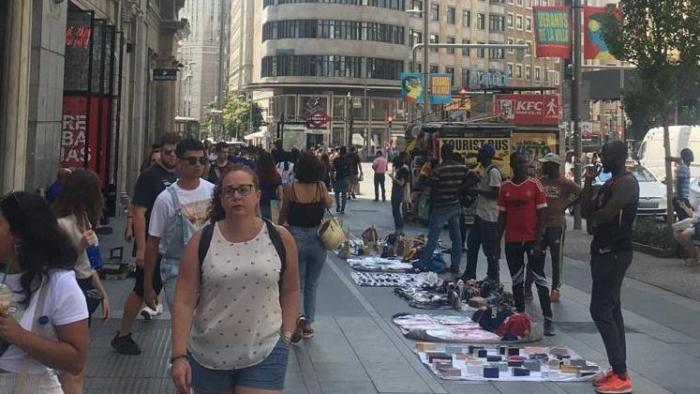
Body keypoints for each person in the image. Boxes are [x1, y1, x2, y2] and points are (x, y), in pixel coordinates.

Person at [170, 166, 300, 394]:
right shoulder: (202, 240)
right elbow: (183, 300)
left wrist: (286, 337)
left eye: (243, 190)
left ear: (258, 194)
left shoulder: (279, 237)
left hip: (265, 350)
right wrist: (179, 355)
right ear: (221, 198)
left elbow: (291, 289)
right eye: (229, 191)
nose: (236, 196)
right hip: (207, 354)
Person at [0, 192, 88, 392]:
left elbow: (76, 361)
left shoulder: (59, 284)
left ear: (19, 235)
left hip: (28, 385)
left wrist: (20, 336)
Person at [112, 132, 180, 355]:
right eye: (167, 151)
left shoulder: (181, 173)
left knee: (156, 290)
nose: (172, 156)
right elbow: (139, 212)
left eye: (176, 152)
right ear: (160, 151)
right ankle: (123, 334)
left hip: (175, 245)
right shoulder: (150, 176)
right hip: (153, 243)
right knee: (141, 289)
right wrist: (141, 248)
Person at [581, 140, 639, 394]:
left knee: (601, 309)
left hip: (615, 251)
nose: (600, 157)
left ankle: (621, 373)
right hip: (603, 251)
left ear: (617, 157)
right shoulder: (608, 183)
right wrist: (587, 183)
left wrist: (595, 220)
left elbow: (606, 214)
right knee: (612, 309)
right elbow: (586, 212)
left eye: (604, 153)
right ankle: (618, 369)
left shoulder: (627, 182)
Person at [52, 169, 111, 392]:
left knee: (76, 363)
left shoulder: (84, 219)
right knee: (74, 365)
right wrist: (80, 247)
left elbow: (89, 264)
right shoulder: (62, 224)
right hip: (70, 287)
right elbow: (60, 263)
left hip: (85, 285)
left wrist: (103, 293)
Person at [143, 138, 215, 315]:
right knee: (183, 323)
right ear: (180, 163)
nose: (198, 165)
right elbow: (152, 243)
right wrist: (147, 285)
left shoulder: (214, 192)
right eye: (192, 160)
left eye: (202, 160)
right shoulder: (165, 199)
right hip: (177, 271)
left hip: (211, 269)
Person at [496, 151, 555, 337]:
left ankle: (548, 319)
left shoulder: (535, 185)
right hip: (512, 240)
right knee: (516, 280)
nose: (524, 166)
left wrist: (538, 241)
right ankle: (521, 317)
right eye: (520, 162)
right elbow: (502, 216)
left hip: (532, 240)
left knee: (540, 279)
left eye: (525, 162)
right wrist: (497, 242)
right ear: (512, 164)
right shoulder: (505, 187)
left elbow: (542, 215)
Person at [278, 152, 333, 340]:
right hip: (318, 238)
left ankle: (295, 318)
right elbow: (329, 204)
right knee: (312, 283)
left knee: (296, 284)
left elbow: (284, 212)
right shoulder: (320, 187)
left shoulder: (291, 188)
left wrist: (278, 229)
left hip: (296, 238)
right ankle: (308, 323)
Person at [524, 153, 581, 303]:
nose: (543, 167)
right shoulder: (540, 181)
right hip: (540, 226)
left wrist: (567, 205)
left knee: (557, 259)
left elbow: (581, 193)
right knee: (535, 257)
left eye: (546, 164)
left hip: (557, 225)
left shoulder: (565, 183)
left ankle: (555, 288)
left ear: (554, 166)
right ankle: (528, 286)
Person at [417, 143, 468, 275]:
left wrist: (431, 208)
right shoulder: (462, 167)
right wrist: (460, 190)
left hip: (440, 206)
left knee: (433, 236)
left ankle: (424, 263)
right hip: (455, 205)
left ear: (442, 153)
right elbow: (473, 178)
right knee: (456, 237)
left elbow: (434, 191)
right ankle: (455, 265)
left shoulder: (438, 170)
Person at [464, 144, 502, 282]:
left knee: (489, 248)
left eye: (480, 152)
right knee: (472, 243)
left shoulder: (494, 172)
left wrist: (477, 191)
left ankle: (493, 276)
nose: (477, 154)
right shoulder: (482, 168)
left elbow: (495, 193)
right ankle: (470, 273)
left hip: (490, 215)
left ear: (486, 155)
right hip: (481, 213)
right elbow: (477, 179)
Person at [257, 151, 283, 220]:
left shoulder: (256, 175)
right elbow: (280, 194)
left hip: (260, 203)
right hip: (273, 203)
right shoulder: (276, 175)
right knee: (272, 226)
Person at [389, 154, 410, 233]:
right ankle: (398, 227)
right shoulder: (403, 169)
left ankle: (399, 228)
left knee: (396, 210)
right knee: (395, 210)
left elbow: (401, 183)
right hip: (397, 190)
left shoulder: (402, 170)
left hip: (397, 191)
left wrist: (393, 178)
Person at [674, 148, 694, 220]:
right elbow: (679, 185)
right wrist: (682, 201)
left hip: (683, 198)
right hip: (681, 199)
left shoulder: (685, 168)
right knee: (686, 221)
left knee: (687, 220)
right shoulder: (684, 168)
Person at [331, 146, 351, 214]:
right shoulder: (348, 160)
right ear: (345, 152)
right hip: (345, 178)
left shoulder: (336, 160)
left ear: (340, 151)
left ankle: (338, 206)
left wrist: (332, 179)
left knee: (336, 193)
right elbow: (350, 171)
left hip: (337, 178)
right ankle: (343, 208)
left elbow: (332, 169)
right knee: (344, 194)